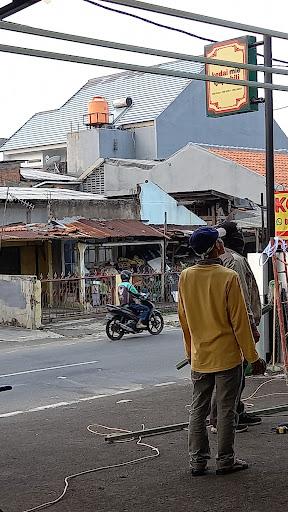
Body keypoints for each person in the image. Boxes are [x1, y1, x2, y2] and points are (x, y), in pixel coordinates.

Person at [178, 226, 266, 476]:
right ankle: (226, 460)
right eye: (219, 242)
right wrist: (253, 357)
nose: (222, 246)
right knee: (226, 410)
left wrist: (190, 352)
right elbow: (240, 323)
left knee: (198, 409)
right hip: (227, 356)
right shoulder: (228, 277)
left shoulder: (185, 277)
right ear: (216, 247)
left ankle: (197, 462)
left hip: (200, 356)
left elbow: (183, 320)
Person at [209, 221, 262, 432]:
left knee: (234, 374)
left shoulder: (218, 260)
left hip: (222, 324)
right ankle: (220, 420)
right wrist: (250, 325)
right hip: (237, 325)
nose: (241, 237)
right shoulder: (235, 261)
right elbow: (241, 298)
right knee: (232, 377)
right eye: (237, 233)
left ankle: (236, 411)